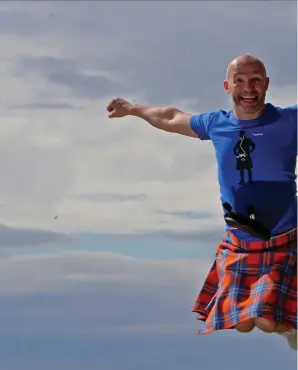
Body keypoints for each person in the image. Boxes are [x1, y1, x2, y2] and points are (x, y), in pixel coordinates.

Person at [106, 54, 297, 350]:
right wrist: (132, 109)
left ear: (267, 84)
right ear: (227, 86)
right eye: (240, 81)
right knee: (244, 323)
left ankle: (292, 331)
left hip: (284, 238)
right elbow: (170, 117)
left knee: (268, 320)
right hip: (241, 240)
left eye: (256, 80)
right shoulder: (215, 124)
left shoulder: (288, 120)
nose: (249, 88)